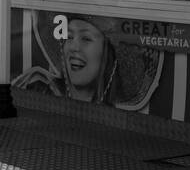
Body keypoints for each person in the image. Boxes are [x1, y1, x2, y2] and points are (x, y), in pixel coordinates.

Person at [14, 12, 163, 110]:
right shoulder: (37, 85)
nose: (74, 47)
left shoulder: (112, 112)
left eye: (86, 38)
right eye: (69, 36)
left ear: (107, 51)